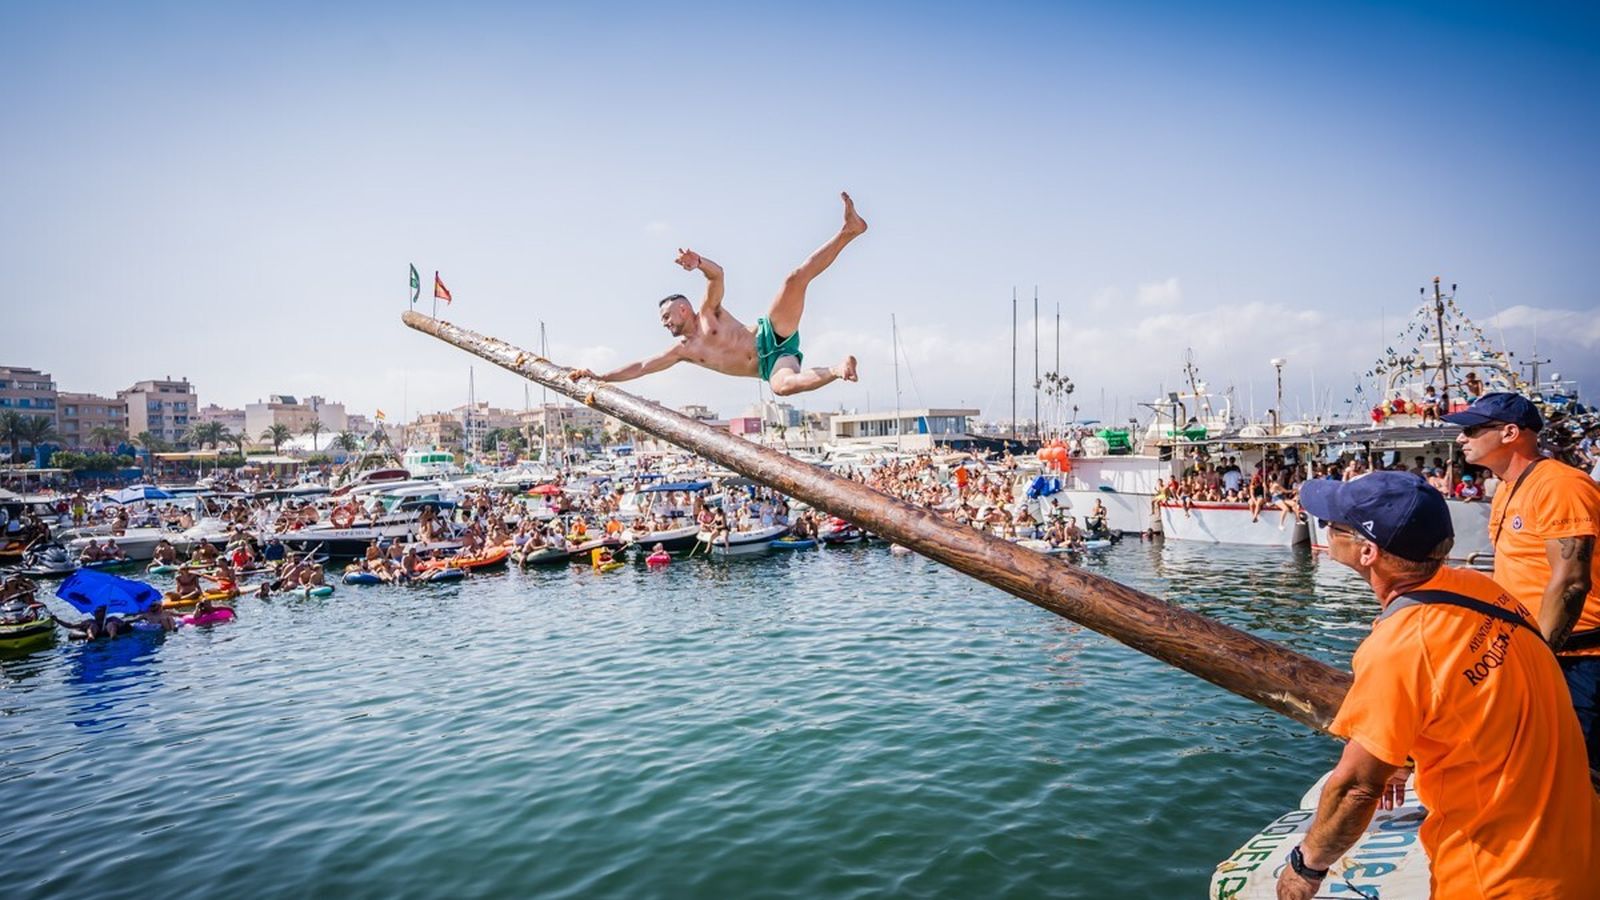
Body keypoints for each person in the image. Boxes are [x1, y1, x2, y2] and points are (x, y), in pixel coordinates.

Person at [1279, 471, 1598, 899]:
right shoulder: (1483, 590)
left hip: (1496, 880)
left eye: (1331, 525)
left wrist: (1306, 867)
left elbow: (1357, 787)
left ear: (1368, 551)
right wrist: (1404, 749)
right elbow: (1472, 696)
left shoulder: (1401, 645)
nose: (1325, 530)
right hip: (1578, 856)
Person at [569, 192, 865, 397]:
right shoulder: (683, 351)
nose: (664, 323)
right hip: (772, 365)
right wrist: (601, 376)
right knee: (782, 387)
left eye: (666, 316)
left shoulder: (709, 312)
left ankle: (848, 231)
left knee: (794, 280)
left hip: (772, 333)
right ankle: (838, 369)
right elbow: (642, 367)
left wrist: (699, 263)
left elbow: (717, 275)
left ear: (683, 309)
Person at [1447, 392, 1600, 770]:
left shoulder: (1559, 486)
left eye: (1472, 429)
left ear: (1510, 433)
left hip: (1578, 659)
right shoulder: (1508, 487)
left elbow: (1571, 582)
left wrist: (1540, 660)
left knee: (1580, 769)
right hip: (1535, 650)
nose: (1461, 438)